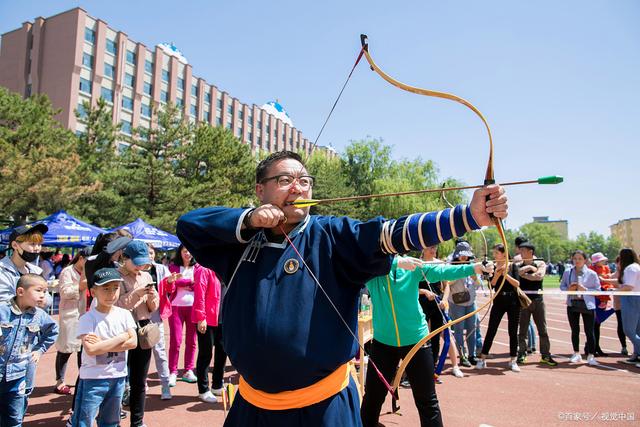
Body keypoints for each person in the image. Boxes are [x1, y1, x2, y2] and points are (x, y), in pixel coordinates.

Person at [176, 150, 508, 426]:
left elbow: (392, 233)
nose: (298, 188)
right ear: (260, 191)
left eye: (305, 182)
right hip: (252, 407)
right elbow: (189, 225)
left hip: (323, 407)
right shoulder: (239, 242)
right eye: (284, 180)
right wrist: (249, 220)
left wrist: (468, 216)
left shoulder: (332, 236)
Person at [361, 255, 492, 427]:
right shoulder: (372, 267)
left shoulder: (410, 265)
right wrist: (395, 263)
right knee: (373, 397)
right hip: (383, 343)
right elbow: (354, 260)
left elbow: (443, 270)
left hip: (417, 341)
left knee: (427, 401)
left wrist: (474, 267)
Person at [72, 268, 137, 427]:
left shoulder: (125, 314)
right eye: (106, 288)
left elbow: (133, 342)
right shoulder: (87, 318)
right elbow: (91, 350)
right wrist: (122, 337)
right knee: (83, 421)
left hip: (118, 377)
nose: (111, 293)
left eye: (115, 288)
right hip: (92, 379)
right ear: (93, 292)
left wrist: (102, 343)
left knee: (111, 421)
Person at [0, 274, 58, 426]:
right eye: (39, 290)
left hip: (18, 375)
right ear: (20, 292)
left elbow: (53, 330)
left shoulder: (39, 315)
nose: (43, 295)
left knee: (15, 417)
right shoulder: (3, 310)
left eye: (45, 291)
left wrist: (39, 350)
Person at [116, 241, 159, 427]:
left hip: (143, 328)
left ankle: (138, 421)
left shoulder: (146, 275)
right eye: (136, 262)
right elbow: (116, 305)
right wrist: (136, 293)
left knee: (139, 380)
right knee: (117, 378)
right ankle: (112, 417)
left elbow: (153, 307)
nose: (140, 266)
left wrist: (151, 296)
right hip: (122, 329)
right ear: (125, 258)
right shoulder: (115, 276)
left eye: (143, 263)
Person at [417, 245, 464, 380]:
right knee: (420, 337)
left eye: (435, 247)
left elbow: (446, 285)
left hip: (438, 305)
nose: (433, 250)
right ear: (423, 249)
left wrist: (444, 299)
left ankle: (433, 371)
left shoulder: (440, 264)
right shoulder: (417, 265)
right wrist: (424, 292)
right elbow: (411, 287)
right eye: (430, 247)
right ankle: (417, 370)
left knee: (436, 337)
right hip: (421, 304)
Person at [476, 244, 522, 372]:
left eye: (497, 253)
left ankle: (513, 360)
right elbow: (492, 284)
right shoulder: (493, 267)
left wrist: (505, 275)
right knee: (492, 329)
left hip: (513, 301)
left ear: (504, 254)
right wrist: (497, 274)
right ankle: (483, 359)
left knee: (513, 331)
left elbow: (517, 284)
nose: (494, 255)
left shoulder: (513, 266)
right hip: (499, 300)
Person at [516, 242, 557, 366]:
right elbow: (517, 273)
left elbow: (539, 276)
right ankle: (522, 353)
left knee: (542, 329)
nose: (520, 253)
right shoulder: (519, 264)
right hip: (523, 300)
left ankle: (545, 355)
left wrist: (527, 273)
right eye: (520, 251)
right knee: (522, 329)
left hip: (538, 300)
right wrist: (529, 270)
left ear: (530, 252)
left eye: (523, 251)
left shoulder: (540, 263)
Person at [54, 248, 89, 395]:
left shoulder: (89, 271)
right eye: (87, 260)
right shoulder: (67, 272)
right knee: (65, 350)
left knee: (84, 350)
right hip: (71, 315)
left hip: (86, 315)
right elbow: (64, 292)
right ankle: (59, 381)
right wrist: (80, 286)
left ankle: (83, 380)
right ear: (80, 258)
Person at [191, 263, 227, 403]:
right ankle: (203, 389)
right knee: (206, 354)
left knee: (222, 351)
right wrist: (201, 318)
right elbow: (199, 294)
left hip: (223, 318)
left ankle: (217, 385)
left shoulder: (224, 267)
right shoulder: (204, 269)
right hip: (207, 319)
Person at [163, 244, 198, 386]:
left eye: (190, 251)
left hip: (193, 308)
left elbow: (200, 285)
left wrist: (180, 282)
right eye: (184, 251)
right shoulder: (173, 267)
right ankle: (173, 371)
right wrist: (189, 282)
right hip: (176, 308)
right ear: (180, 252)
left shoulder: (198, 268)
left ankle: (188, 369)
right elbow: (169, 283)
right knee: (175, 341)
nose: (187, 253)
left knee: (192, 341)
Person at [560, 250, 601, 366]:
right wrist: (569, 289)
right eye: (575, 259)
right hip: (573, 303)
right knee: (575, 330)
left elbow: (598, 291)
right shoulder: (568, 272)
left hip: (587, 304)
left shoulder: (592, 274)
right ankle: (576, 353)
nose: (577, 261)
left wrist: (586, 290)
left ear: (585, 260)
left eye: (580, 259)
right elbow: (562, 286)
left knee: (590, 331)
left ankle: (591, 355)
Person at [447, 241, 482, 366]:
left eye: (466, 255)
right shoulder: (451, 266)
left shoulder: (473, 267)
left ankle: (472, 355)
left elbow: (479, 285)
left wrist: (475, 278)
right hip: (456, 303)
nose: (464, 257)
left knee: (472, 329)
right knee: (459, 329)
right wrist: (459, 274)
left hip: (470, 302)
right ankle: (462, 356)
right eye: (461, 255)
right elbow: (447, 283)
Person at [145, 245, 172, 400]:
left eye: (151, 252)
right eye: (147, 253)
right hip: (139, 315)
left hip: (156, 315)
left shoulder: (160, 269)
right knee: (141, 353)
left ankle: (165, 384)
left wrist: (169, 281)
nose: (149, 255)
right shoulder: (138, 269)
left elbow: (169, 287)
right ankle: (142, 382)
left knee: (159, 351)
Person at [0, 224, 49, 305]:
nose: (37, 248)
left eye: (39, 244)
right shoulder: (2, 270)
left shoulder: (37, 271)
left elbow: (48, 300)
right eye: (32, 244)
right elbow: (4, 303)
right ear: (15, 245)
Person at [609, 248, 640, 366]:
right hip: (635, 298)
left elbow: (628, 286)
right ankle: (636, 355)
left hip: (630, 299)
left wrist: (616, 290)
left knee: (628, 330)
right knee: (637, 330)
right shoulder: (636, 266)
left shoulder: (630, 268)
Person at [589, 252, 616, 357]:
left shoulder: (606, 268)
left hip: (603, 297)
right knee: (593, 323)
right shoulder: (591, 269)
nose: (604, 262)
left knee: (598, 323)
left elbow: (607, 281)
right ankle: (592, 347)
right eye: (601, 260)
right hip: (594, 297)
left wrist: (607, 286)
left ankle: (595, 347)